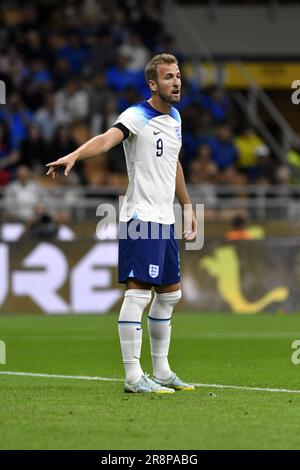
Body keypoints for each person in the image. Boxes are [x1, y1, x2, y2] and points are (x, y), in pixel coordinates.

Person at [46, 54, 197, 394]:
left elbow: (173, 163)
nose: (176, 82)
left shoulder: (175, 118)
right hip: (139, 217)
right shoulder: (135, 115)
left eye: (178, 76)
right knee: (138, 293)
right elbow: (106, 140)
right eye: (168, 77)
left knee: (170, 295)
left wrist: (187, 204)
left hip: (164, 218)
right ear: (153, 84)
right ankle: (132, 377)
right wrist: (74, 155)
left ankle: (161, 371)